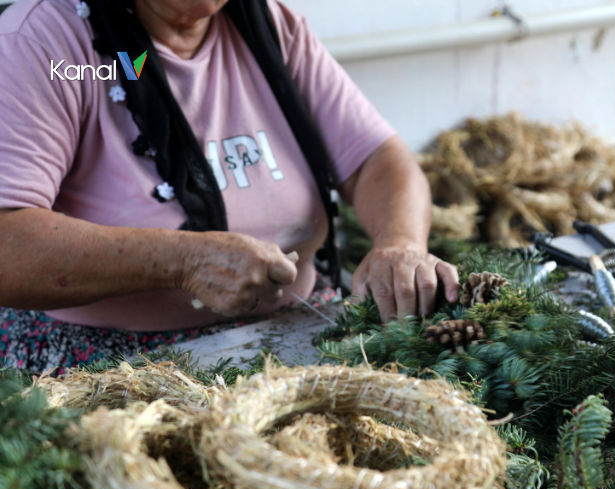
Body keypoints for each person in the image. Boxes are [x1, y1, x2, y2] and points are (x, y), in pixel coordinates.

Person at [0, 0, 459, 373]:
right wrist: (182, 261)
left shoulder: (269, 26)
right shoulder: (53, 49)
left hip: (296, 332)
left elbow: (379, 160)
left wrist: (398, 244)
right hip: (114, 367)